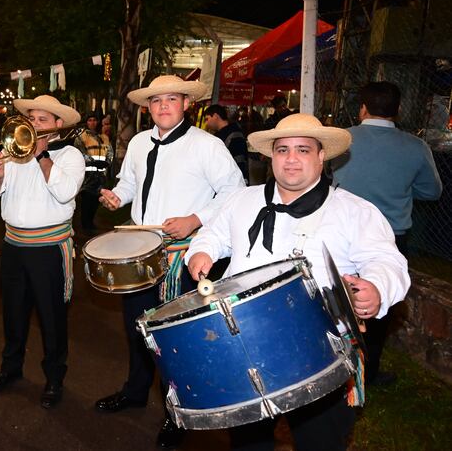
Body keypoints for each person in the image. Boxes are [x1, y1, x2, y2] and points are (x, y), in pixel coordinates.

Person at [186, 113, 411, 451]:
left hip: (320, 353)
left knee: (319, 442)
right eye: (282, 150)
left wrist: (377, 288)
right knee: (248, 444)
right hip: (244, 350)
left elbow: (387, 261)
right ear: (271, 156)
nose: (291, 160)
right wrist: (200, 253)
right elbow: (212, 235)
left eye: (303, 150)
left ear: (322, 156)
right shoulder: (241, 200)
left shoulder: (354, 211)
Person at [95, 75, 245, 448]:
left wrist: (195, 219)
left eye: (171, 99)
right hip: (140, 251)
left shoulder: (207, 146)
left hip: (181, 257)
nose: (163, 106)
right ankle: (134, 391)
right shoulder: (138, 142)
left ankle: (176, 414)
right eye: (157, 101)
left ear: (185, 104)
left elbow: (235, 191)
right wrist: (116, 197)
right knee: (137, 328)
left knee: (174, 339)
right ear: (148, 108)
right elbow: (130, 183)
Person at [332, 81, 442, 386]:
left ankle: (332, 368)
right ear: (399, 110)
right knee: (377, 304)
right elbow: (432, 191)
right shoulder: (415, 147)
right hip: (392, 235)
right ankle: (369, 370)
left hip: (341, 231)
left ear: (362, 108)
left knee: (335, 299)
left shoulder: (343, 140)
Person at [0, 94, 84, 410]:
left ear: (57, 124)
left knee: (52, 319)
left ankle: (54, 378)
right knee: (13, 315)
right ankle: (10, 369)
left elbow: (65, 193)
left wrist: (41, 156)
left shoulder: (70, 156)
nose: (35, 125)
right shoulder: (12, 153)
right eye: (32, 119)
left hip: (49, 249)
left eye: (43, 120)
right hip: (13, 246)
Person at [74, 111, 113, 233]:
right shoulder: (81, 136)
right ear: (86, 122)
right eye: (90, 120)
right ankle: (85, 226)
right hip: (87, 176)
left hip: (100, 176)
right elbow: (79, 152)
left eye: (94, 120)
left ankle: (90, 223)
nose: (92, 122)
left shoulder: (103, 137)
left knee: (96, 201)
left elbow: (110, 151)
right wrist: (92, 162)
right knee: (86, 202)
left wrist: (107, 162)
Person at [204, 104, 249, 183]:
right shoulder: (224, 133)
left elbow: (239, 160)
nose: (206, 123)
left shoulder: (234, 134)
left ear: (215, 116)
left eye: (207, 119)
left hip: (232, 182)